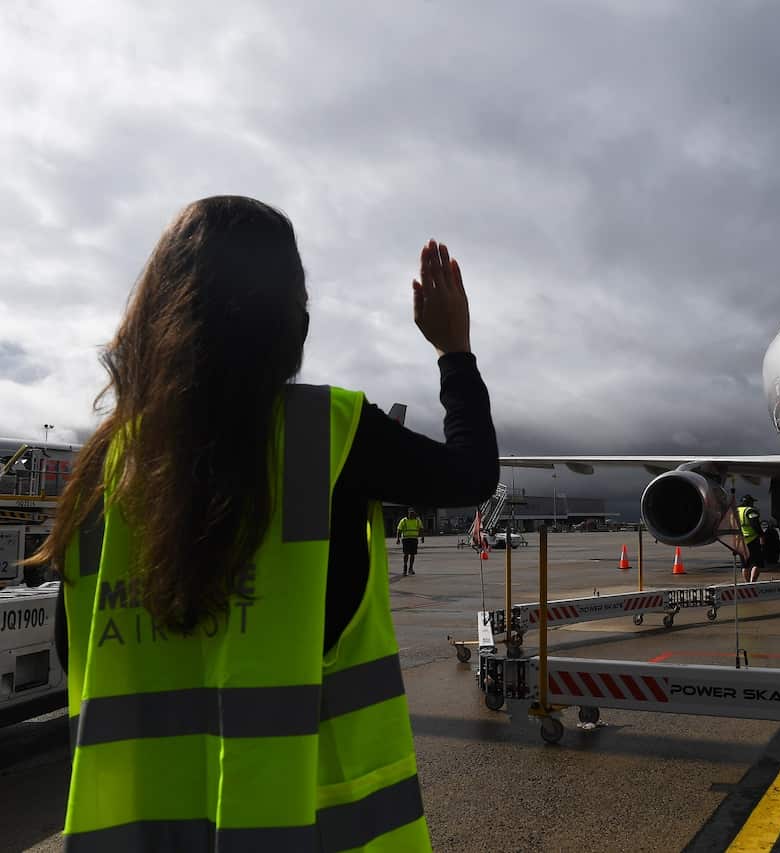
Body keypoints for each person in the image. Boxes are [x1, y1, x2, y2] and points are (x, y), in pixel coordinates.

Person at [31, 196, 497, 850]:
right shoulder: (326, 433)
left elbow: (71, 649)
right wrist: (455, 351)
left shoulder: (102, 469)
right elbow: (471, 474)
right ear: (288, 321)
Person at [738, 494, 765, 582]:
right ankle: (752, 582)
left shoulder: (736, 511)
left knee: (745, 564)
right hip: (752, 540)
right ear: (749, 502)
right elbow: (755, 525)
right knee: (757, 562)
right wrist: (762, 535)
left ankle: (746, 583)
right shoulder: (750, 511)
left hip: (740, 540)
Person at [397, 507, 424, 575]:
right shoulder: (403, 520)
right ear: (408, 513)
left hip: (414, 539)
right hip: (405, 539)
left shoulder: (418, 520)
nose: (412, 514)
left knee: (412, 554)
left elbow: (421, 529)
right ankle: (405, 568)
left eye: (413, 513)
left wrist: (422, 537)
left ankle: (411, 568)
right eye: (410, 513)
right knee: (406, 554)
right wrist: (398, 539)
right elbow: (399, 530)